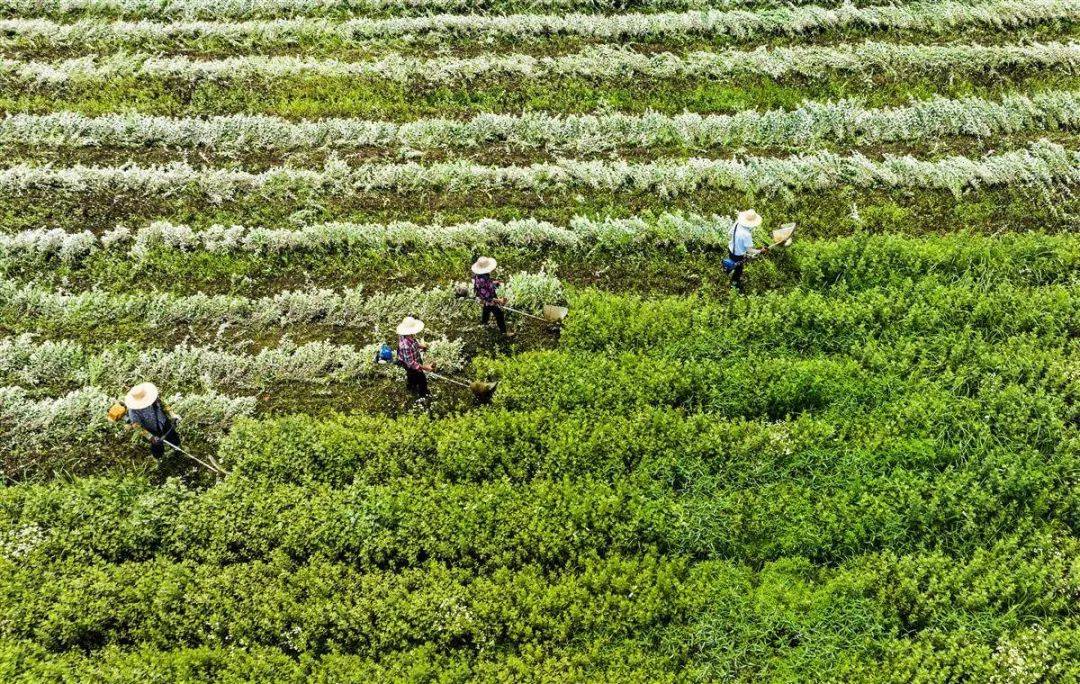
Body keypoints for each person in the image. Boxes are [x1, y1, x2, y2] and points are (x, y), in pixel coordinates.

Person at [122, 382, 181, 459]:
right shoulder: (133, 410)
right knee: (157, 447)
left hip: (163, 421)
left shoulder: (152, 396)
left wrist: (173, 415)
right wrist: (151, 437)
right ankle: (160, 458)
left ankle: (177, 448)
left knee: (173, 437)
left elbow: (164, 405)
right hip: (151, 429)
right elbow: (136, 426)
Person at [471, 256, 514, 337]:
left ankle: (484, 323)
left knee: (486, 309)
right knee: (499, 315)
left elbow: (488, 285)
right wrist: (499, 301)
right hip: (489, 300)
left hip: (487, 298)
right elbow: (487, 297)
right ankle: (504, 333)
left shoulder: (481, 275)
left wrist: (495, 283)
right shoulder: (481, 280)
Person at [727, 209, 768, 293]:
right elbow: (749, 250)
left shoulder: (737, 223)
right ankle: (734, 284)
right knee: (738, 270)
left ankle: (728, 270)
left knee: (731, 262)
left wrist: (737, 241)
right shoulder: (746, 234)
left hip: (731, 248)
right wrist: (760, 251)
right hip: (738, 255)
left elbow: (730, 233)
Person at [396, 316, 434, 400]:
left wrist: (421, 346)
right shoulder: (405, 345)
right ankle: (422, 396)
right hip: (409, 364)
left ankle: (410, 387)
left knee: (412, 377)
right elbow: (411, 363)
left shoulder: (407, 336)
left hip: (411, 360)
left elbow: (414, 343)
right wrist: (425, 367)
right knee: (421, 379)